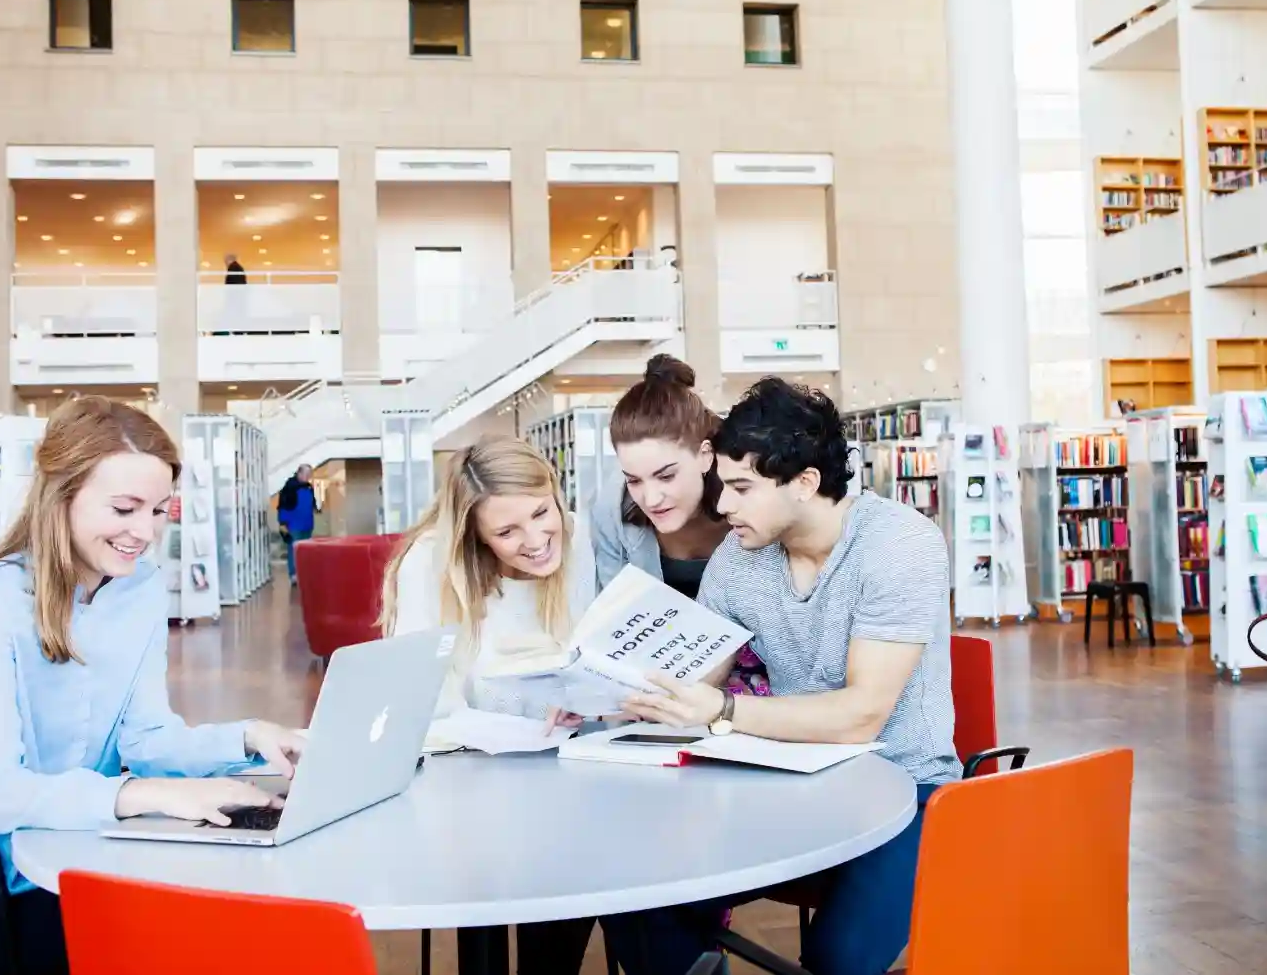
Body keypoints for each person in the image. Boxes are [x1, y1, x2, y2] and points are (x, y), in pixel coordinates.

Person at [0, 397, 305, 975]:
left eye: (159, 510)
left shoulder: (139, 589)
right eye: (124, 508)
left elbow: (146, 739)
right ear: (61, 495)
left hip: (77, 854)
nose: (144, 532)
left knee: (232, 933)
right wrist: (146, 795)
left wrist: (248, 737)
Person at [605, 377, 957, 975]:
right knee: (642, 898)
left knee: (836, 958)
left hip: (907, 788)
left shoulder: (898, 545)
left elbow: (861, 715)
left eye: (741, 488)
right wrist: (615, 690)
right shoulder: (740, 556)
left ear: (805, 483)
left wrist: (720, 712)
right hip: (791, 779)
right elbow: (699, 672)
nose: (722, 507)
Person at [378, 436, 598, 973]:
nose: (537, 539)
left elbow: (583, 652)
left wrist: (583, 696)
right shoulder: (431, 563)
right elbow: (417, 703)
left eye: (542, 512)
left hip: (563, 773)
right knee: (486, 868)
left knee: (572, 865)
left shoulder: (575, 534)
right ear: (472, 534)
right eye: (506, 532)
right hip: (464, 778)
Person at [592, 353, 768, 694]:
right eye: (634, 480)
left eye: (666, 475)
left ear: (705, 456)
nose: (651, 498)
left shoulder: (752, 500)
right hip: (656, 681)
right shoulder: (611, 509)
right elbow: (613, 621)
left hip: (760, 674)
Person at [277, 463, 316, 586]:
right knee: (294, 550)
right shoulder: (289, 488)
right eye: (306, 474)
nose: (308, 476)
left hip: (307, 525)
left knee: (306, 552)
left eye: (309, 474)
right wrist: (283, 524)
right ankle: (294, 575)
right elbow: (282, 506)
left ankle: (304, 574)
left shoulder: (309, 488)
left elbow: (312, 505)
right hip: (294, 526)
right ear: (299, 473)